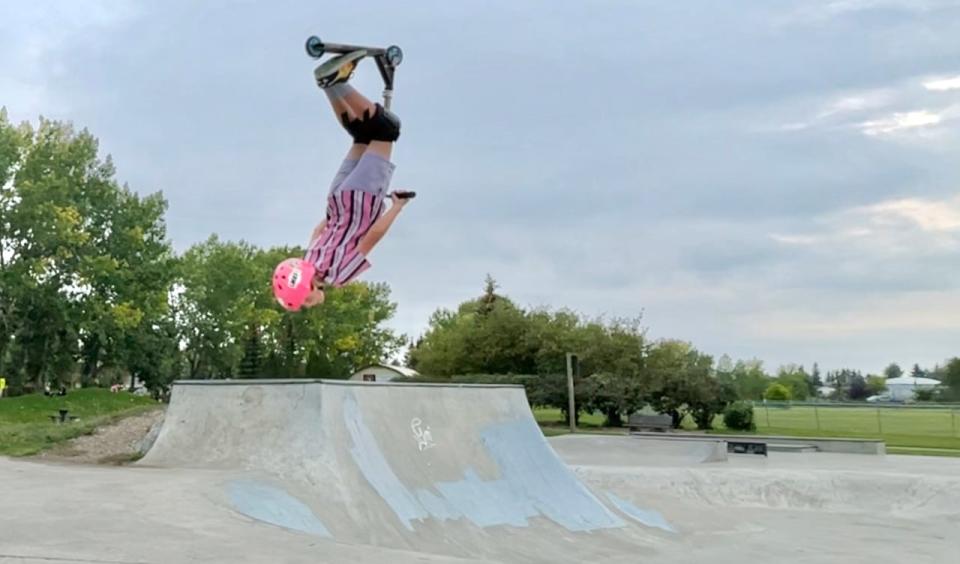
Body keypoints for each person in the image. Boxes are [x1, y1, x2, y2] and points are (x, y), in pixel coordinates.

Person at [273, 50, 414, 311]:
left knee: (386, 131)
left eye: (305, 302)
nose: (309, 306)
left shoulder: (337, 275)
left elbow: (371, 238)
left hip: (362, 199)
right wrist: (342, 217)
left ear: (309, 287)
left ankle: (338, 82)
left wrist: (396, 207)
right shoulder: (310, 257)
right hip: (337, 199)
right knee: (362, 136)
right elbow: (319, 230)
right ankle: (329, 87)